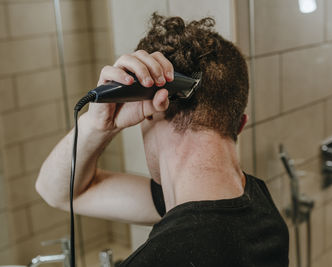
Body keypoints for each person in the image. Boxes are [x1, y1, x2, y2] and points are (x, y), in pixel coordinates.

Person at [36, 13, 289, 267]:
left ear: (153, 106)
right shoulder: (262, 209)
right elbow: (61, 192)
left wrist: (98, 125)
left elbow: (59, 195)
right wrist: (96, 124)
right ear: (240, 124)